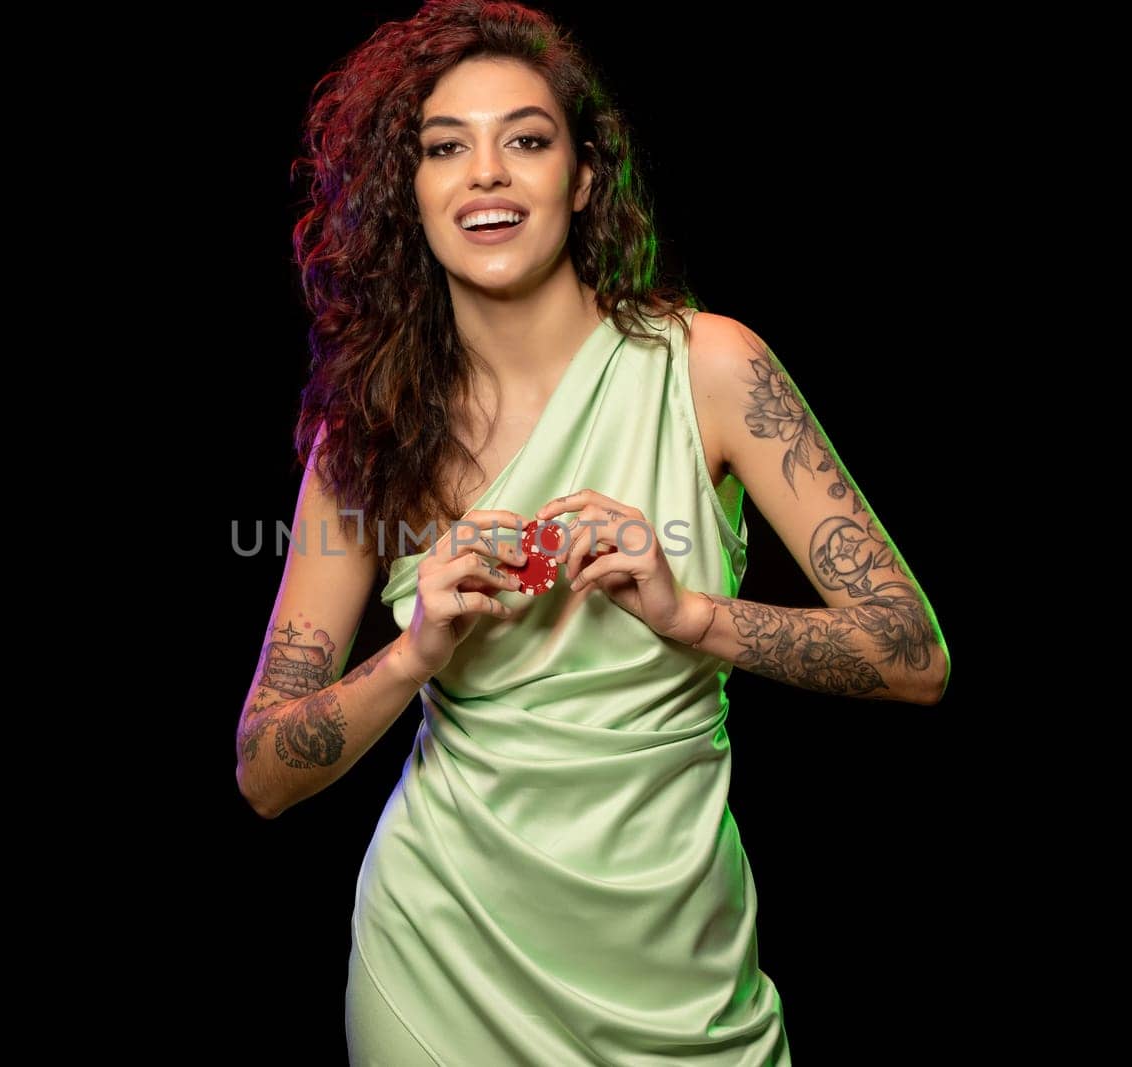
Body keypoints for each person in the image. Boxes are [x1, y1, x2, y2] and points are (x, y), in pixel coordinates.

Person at [235, 1, 950, 1062]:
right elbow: (264, 770)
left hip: (679, 975)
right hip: (443, 959)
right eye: (445, 148)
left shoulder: (708, 367)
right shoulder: (366, 431)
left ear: (579, 177)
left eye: (524, 139)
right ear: (410, 193)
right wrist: (417, 649)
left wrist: (688, 612)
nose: (486, 173)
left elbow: (914, 657)